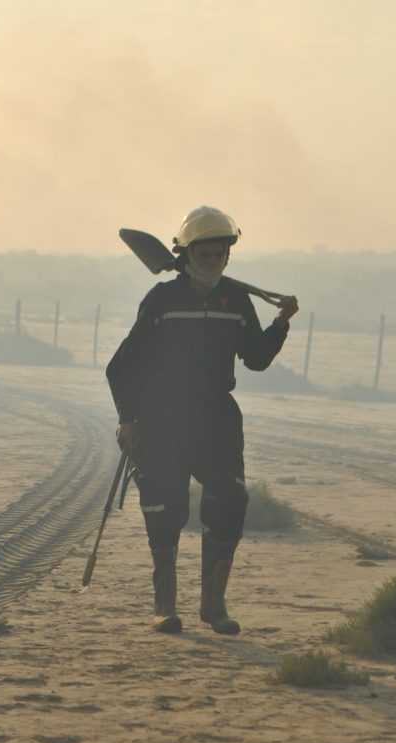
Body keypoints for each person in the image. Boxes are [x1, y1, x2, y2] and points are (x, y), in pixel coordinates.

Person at [106, 206, 299, 634]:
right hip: (162, 417)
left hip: (216, 417)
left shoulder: (236, 301)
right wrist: (128, 418)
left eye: (218, 255)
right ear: (187, 255)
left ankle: (214, 607)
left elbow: (256, 359)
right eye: (204, 255)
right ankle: (165, 607)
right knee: (164, 505)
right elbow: (122, 367)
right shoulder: (162, 301)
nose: (211, 262)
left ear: (227, 256)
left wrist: (280, 324)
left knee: (231, 499)